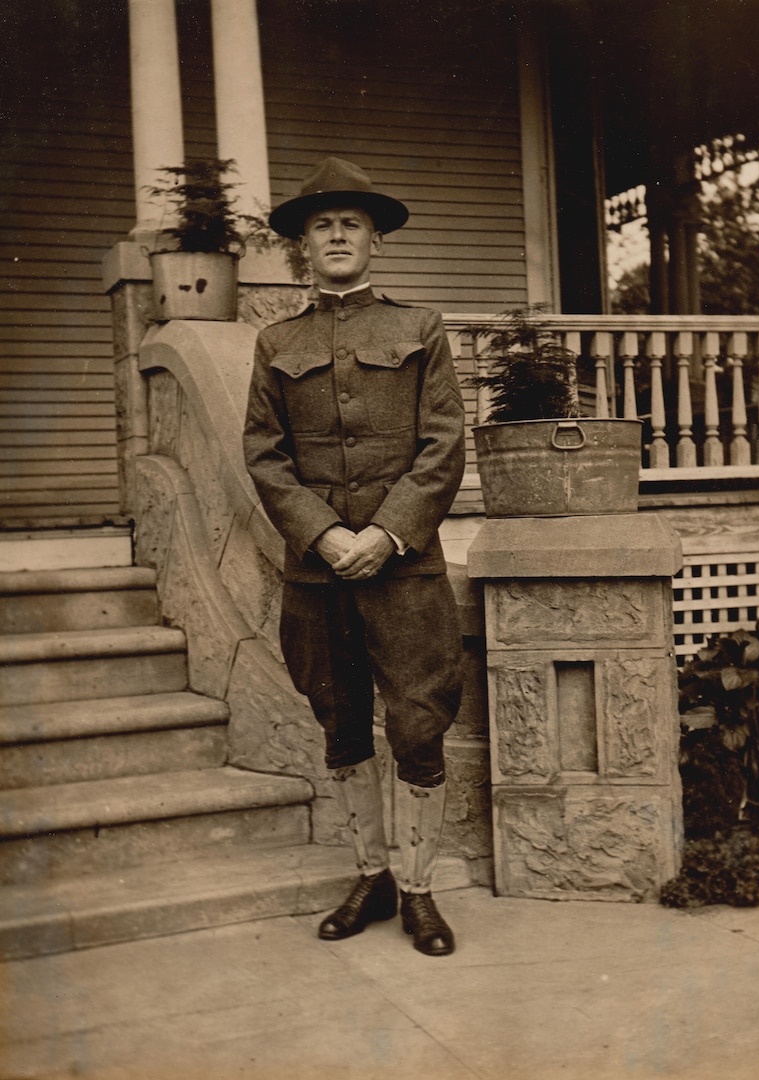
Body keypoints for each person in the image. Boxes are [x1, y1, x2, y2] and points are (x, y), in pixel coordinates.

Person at [243, 157, 466, 956]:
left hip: (404, 568)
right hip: (317, 571)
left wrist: (384, 534)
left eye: (351, 224)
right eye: (320, 226)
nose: (336, 236)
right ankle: (369, 874)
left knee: (417, 721)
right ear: (302, 248)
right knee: (340, 721)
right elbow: (264, 457)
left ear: (376, 241)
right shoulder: (277, 341)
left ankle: (418, 888)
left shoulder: (420, 329)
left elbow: (443, 447)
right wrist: (327, 536)